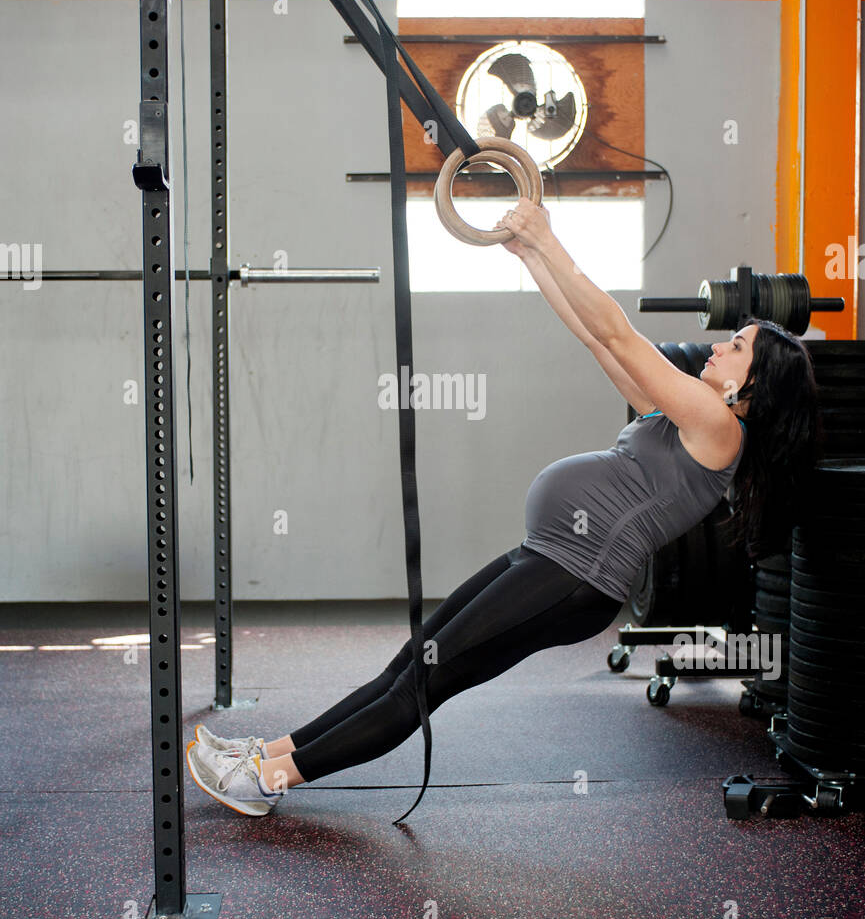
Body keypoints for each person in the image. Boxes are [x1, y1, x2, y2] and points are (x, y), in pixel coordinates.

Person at [186, 198, 821, 816]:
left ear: (752, 382)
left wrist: (549, 239)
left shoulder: (717, 426)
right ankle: (272, 750)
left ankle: (268, 780)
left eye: (735, 345)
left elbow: (619, 334)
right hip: (549, 559)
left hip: (576, 579)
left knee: (423, 682)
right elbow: (600, 345)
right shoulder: (688, 417)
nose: (717, 346)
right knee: (416, 661)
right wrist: (531, 261)